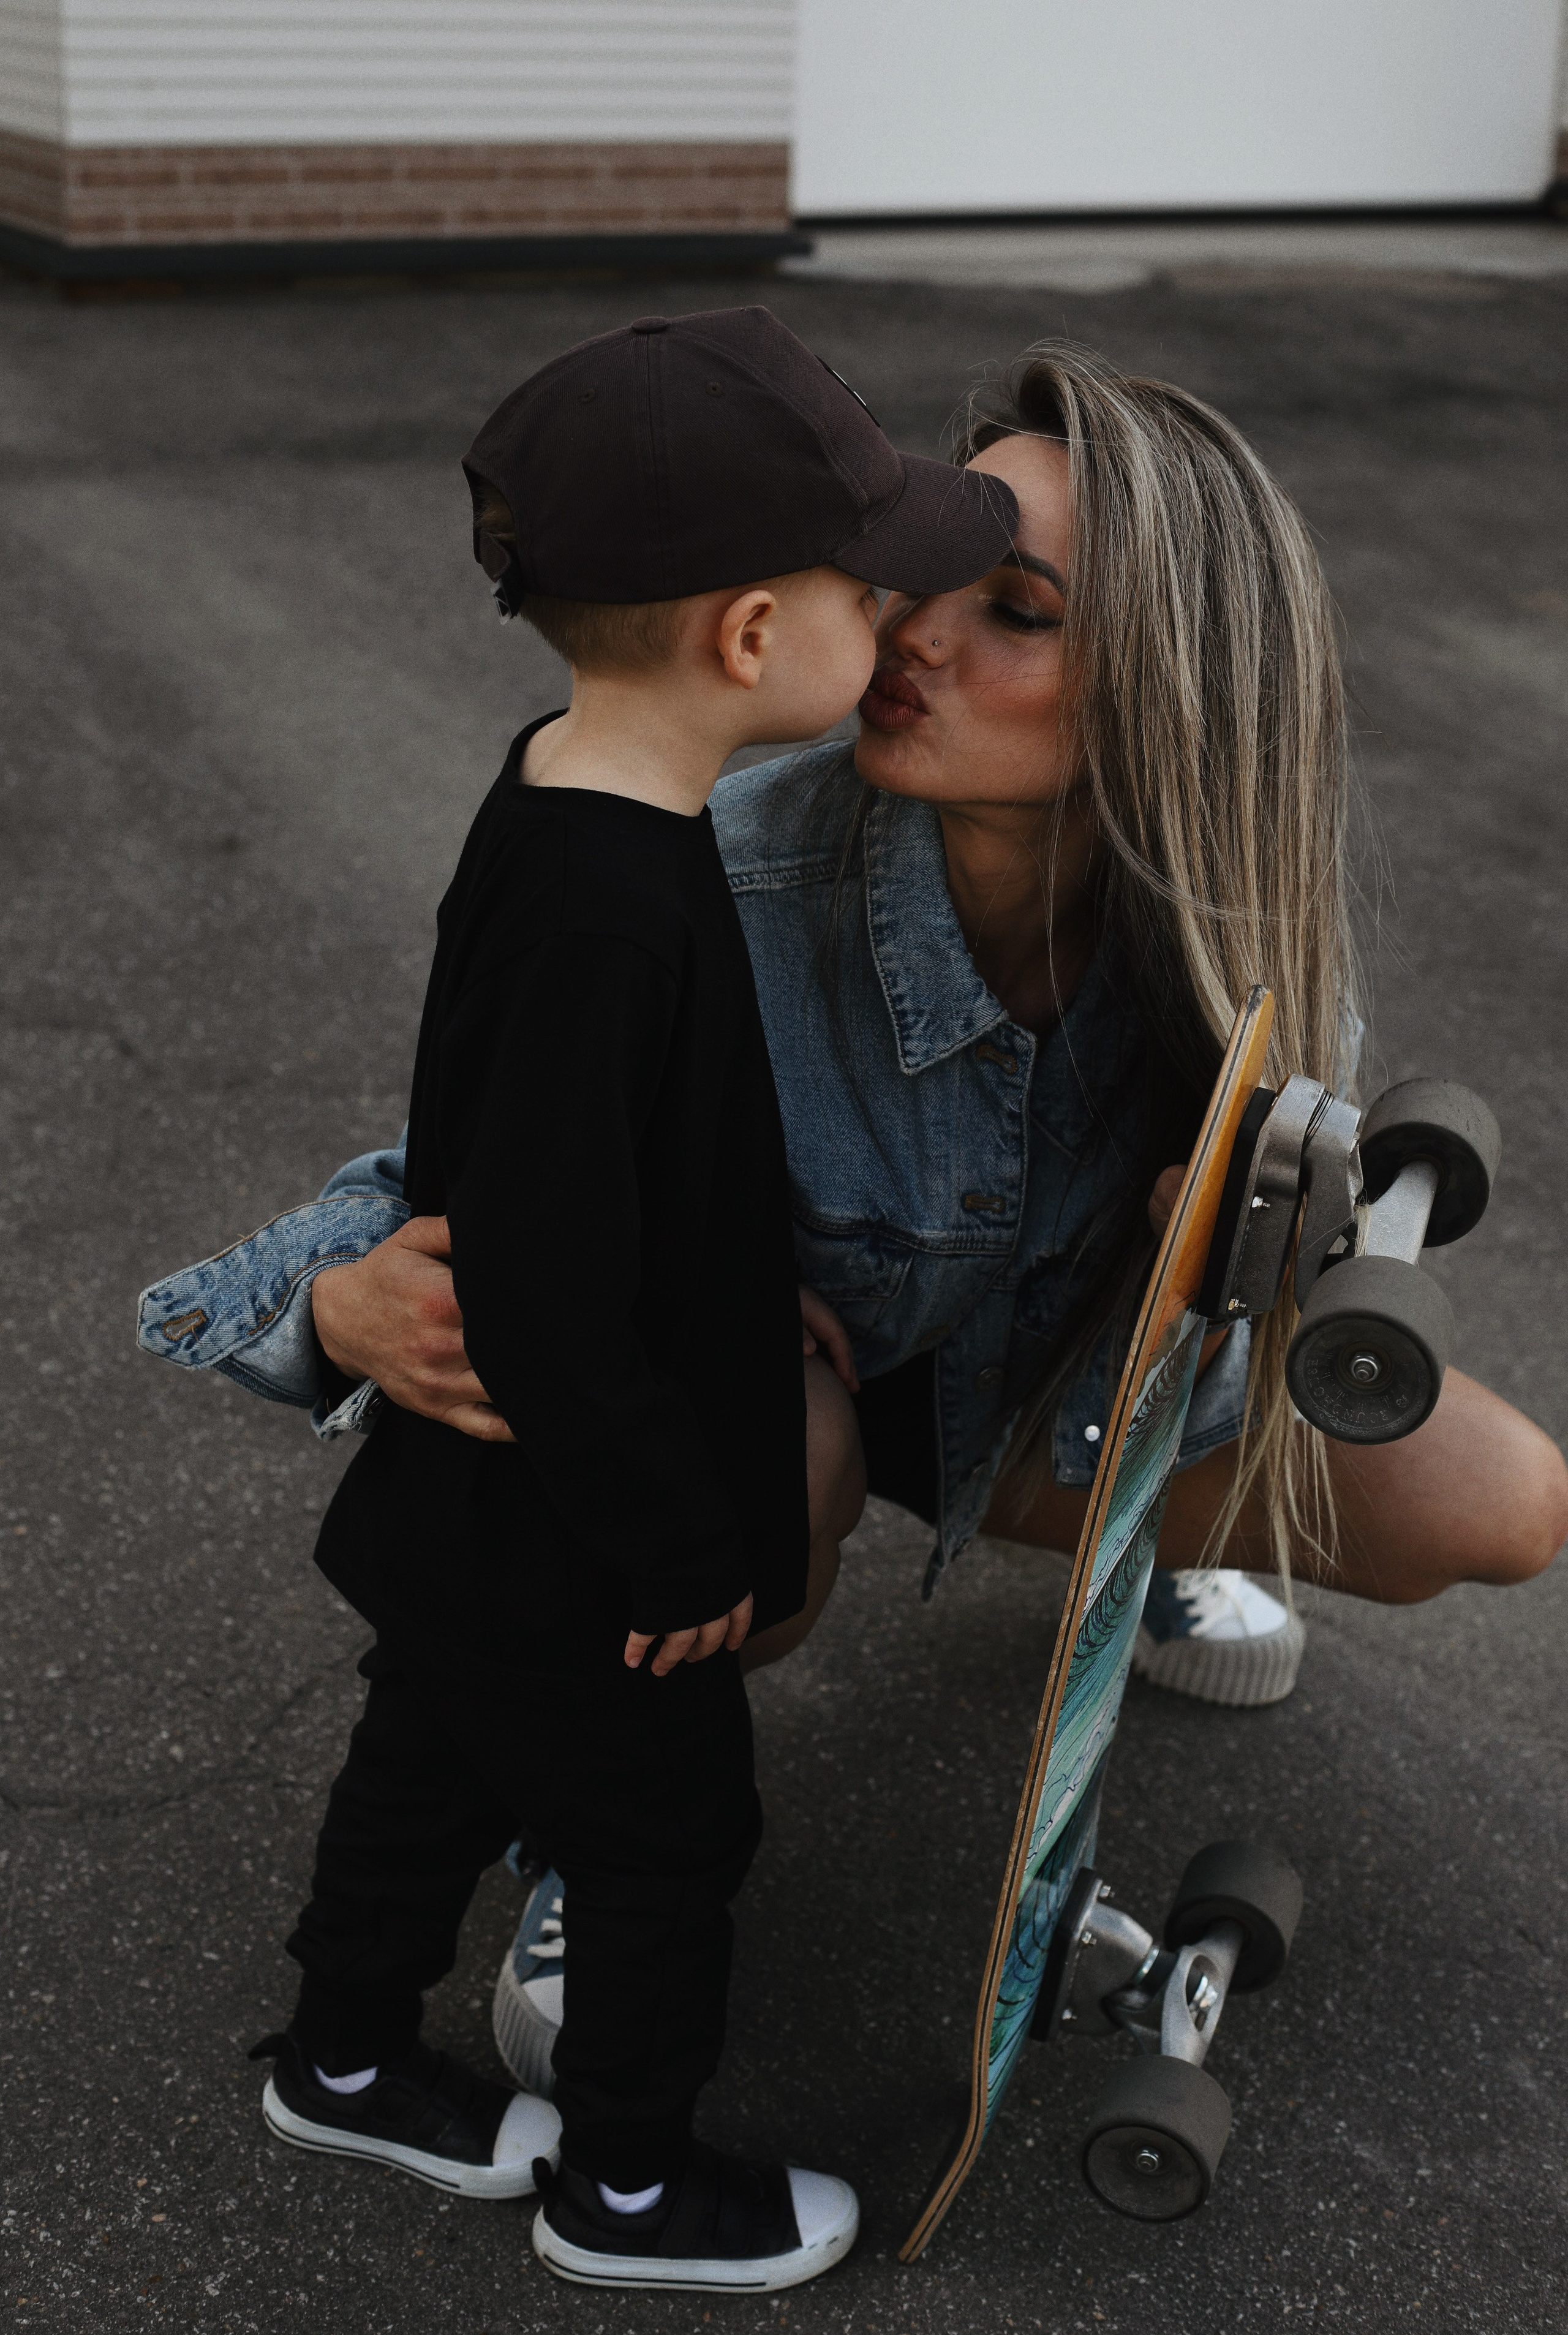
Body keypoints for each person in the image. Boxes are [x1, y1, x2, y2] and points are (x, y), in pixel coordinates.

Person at [140, 340, 1568, 2111]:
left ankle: (1158, 1526)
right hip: (778, 1396)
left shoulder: (1235, 935)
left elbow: (1299, 1247)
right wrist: (335, 1302)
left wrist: (1241, 1275)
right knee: (767, 1477)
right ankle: (605, 1817)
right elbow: (476, 1183)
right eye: (927, 580)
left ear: (1176, 696)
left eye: (1017, 613)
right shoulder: (711, 873)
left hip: (1052, 1397)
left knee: (1503, 1504)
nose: (912, 637)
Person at [185, 306, 1020, 2295]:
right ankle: (632, 2188)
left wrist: (755, 1305)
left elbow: (617, 1188)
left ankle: (346, 2053)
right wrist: (679, 1546)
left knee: (430, 1761)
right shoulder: (608, 911)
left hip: (483, 1505)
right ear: (750, 637)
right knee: (667, 1836)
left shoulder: (576, 800)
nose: (896, 620)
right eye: (869, 582)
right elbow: (551, 1282)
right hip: (579, 1527)